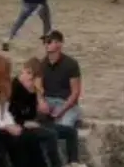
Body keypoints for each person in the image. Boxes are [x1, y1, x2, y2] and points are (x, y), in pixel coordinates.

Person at [9, 59, 67, 167]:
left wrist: (33, 93)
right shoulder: (15, 87)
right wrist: (23, 123)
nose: (29, 79)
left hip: (29, 123)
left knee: (54, 132)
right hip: (17, 126)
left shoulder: (31, 90)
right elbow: (12, 112)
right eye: (27, 74)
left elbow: (31, 113)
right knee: (51, 134)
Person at [38, 32, 82, 165]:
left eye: (50, 41)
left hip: (66, 103)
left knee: (64, 126)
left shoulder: (71, 64)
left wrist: (62, 110)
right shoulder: (42, 64)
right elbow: (39, 89)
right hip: (49, 101)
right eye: (45, 41)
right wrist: (42, 102)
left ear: (59, 44)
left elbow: (75, 93)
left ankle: (69, 161)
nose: (46, 44)